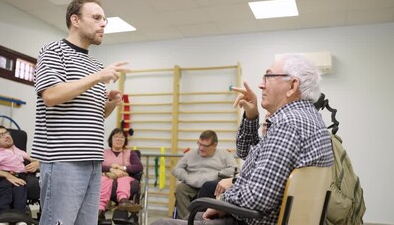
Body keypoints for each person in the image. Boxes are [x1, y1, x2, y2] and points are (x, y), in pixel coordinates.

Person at [151, 54, 334, 225]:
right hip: (265, 216)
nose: (261, 85)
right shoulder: (310, 119)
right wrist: (251, 115)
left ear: (292, 86)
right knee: (198, 213)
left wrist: (222, 201)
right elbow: (247, 154)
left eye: (268, 77)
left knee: (160, 223)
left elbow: (257, 198)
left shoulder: (288, 125)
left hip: (250, 219)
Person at [31, 0, 128, 225]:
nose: (103, 24)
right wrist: (98, 78)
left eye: (104, 19)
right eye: (96, 18)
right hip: (64, 160)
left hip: (93, 160)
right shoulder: (53, 51)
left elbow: (95, 116)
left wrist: (111, 103)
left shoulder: (94, 65)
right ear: (75, 20)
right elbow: (51, 96)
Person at [0, 126, 39, 224]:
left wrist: (37, 163)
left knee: (20, 191)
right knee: (5, 191)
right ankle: (2, 218)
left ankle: (21, 219)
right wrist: (6, 175)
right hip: (3, 177)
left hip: (20, 176)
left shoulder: (16, 149)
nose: (6, 136)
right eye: (1, 135)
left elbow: (31, 158)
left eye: (7, 133)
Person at [173, 130, 237, 219]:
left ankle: (202, 219)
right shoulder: (190, 154)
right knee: (181, 188)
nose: (201, 148)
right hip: (192, 184)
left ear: (214, 145)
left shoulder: (224, 154)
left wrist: (217, 175)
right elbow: (177, 169)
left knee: (210, 187)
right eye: (199, 144)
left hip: (212, 186)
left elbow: (234, 169)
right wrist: (187, 178)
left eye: (205, 146)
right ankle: (186, 220)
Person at [99, 128, 143, 220]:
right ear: (111, 139)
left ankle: (123, 201)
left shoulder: (131, 153)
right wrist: (111, 169)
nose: (119, 139)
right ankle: (100, 210)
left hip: (126, 177)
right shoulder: (103, 153)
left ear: (125, 140)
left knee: (122, 179)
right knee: (103, 180)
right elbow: (98, 166)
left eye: (122, 137)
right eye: (116, 137)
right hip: (107, 176)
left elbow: (139, 167)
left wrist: (123, 168)